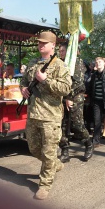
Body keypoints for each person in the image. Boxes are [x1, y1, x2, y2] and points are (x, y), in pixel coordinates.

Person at [20, 31, 71, 200]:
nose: (40, 45)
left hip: (50, 116)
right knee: (34, 148)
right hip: (33, 113)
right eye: (39, 42)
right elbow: (24, 81)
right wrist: (23, 89)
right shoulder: (33, 62)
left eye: (44, 43)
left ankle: (45, 184)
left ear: (52, 45)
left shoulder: (60, 65)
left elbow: (65, 89)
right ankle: (55, 164)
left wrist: (45, 80)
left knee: (49, 152)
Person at [58, 42, 94, 163]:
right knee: (62, 125)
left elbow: (78, 83)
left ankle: (88, 144)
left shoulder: (76, 62)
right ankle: (65, 150)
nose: (60, 53)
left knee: (77, 124)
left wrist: (69, 97)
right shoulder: (60, 63)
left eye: (63, 51)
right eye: (60, 50)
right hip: (62, 98)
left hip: (75, 97)